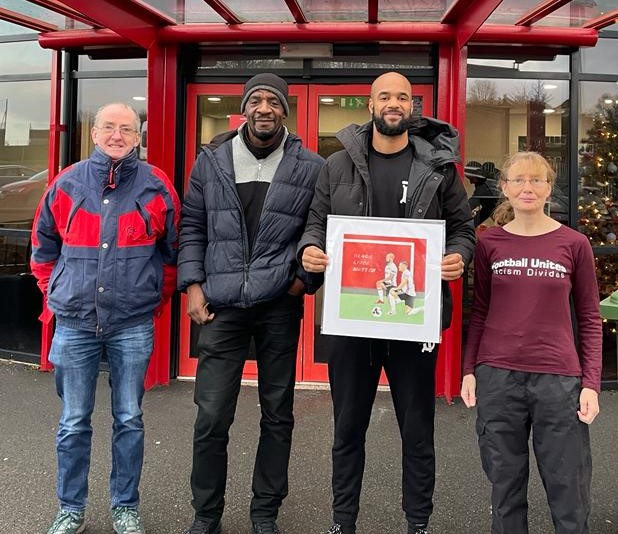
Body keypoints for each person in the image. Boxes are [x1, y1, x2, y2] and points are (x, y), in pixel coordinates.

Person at [298, 71, 475, 534]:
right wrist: (310, 250)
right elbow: (315, 223)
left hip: (413, 320)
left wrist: (458, 255)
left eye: (402, 96)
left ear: (411, 107)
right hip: (350, 321)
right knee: (346, 431)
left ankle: (418, 523)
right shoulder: (335, 166)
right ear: (370, 104)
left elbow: (462, 228)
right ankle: (343, 522)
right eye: (384, 96)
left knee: (417, 432)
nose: (393, 103)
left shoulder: (438, 168)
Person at [177, 73, 324, 534]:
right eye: (256, 100)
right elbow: (192, 227)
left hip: (278, 304)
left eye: (273, 102)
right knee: (212, 415)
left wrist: (300, 283)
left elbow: (317, 228)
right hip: (221, 306)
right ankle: (207, 515)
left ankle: (265, 513)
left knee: (278, 414)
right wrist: (193, 287)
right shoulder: (212, 160)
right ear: (245, 108)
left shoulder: (311, 166)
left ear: (285, 111)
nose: (264, 108)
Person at [31, 102, 181, 534]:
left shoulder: (156, 187)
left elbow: (171, 255)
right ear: (94, 133)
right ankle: (70, 508)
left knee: (130, 419)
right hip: (74, 323)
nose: (118, 136)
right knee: (73, 420)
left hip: (132, 324)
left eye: (127, 129)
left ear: (138, 137)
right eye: (109, 128)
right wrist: (55, 293)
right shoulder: (67, 184)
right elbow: (43, 250)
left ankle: (125, 507)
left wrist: (154, 300)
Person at [460, 151, 602, 534]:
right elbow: (481, 311)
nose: (528, 187)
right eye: (519, 179)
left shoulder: (574, 244)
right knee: (505, 488)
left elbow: (589, 318)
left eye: (537, 180)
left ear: (549, 187)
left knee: (568, 488)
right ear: (504, 187)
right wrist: (469, 370)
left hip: (558, 381)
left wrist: (590, 383)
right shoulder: (489, 244)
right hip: (498, 377)